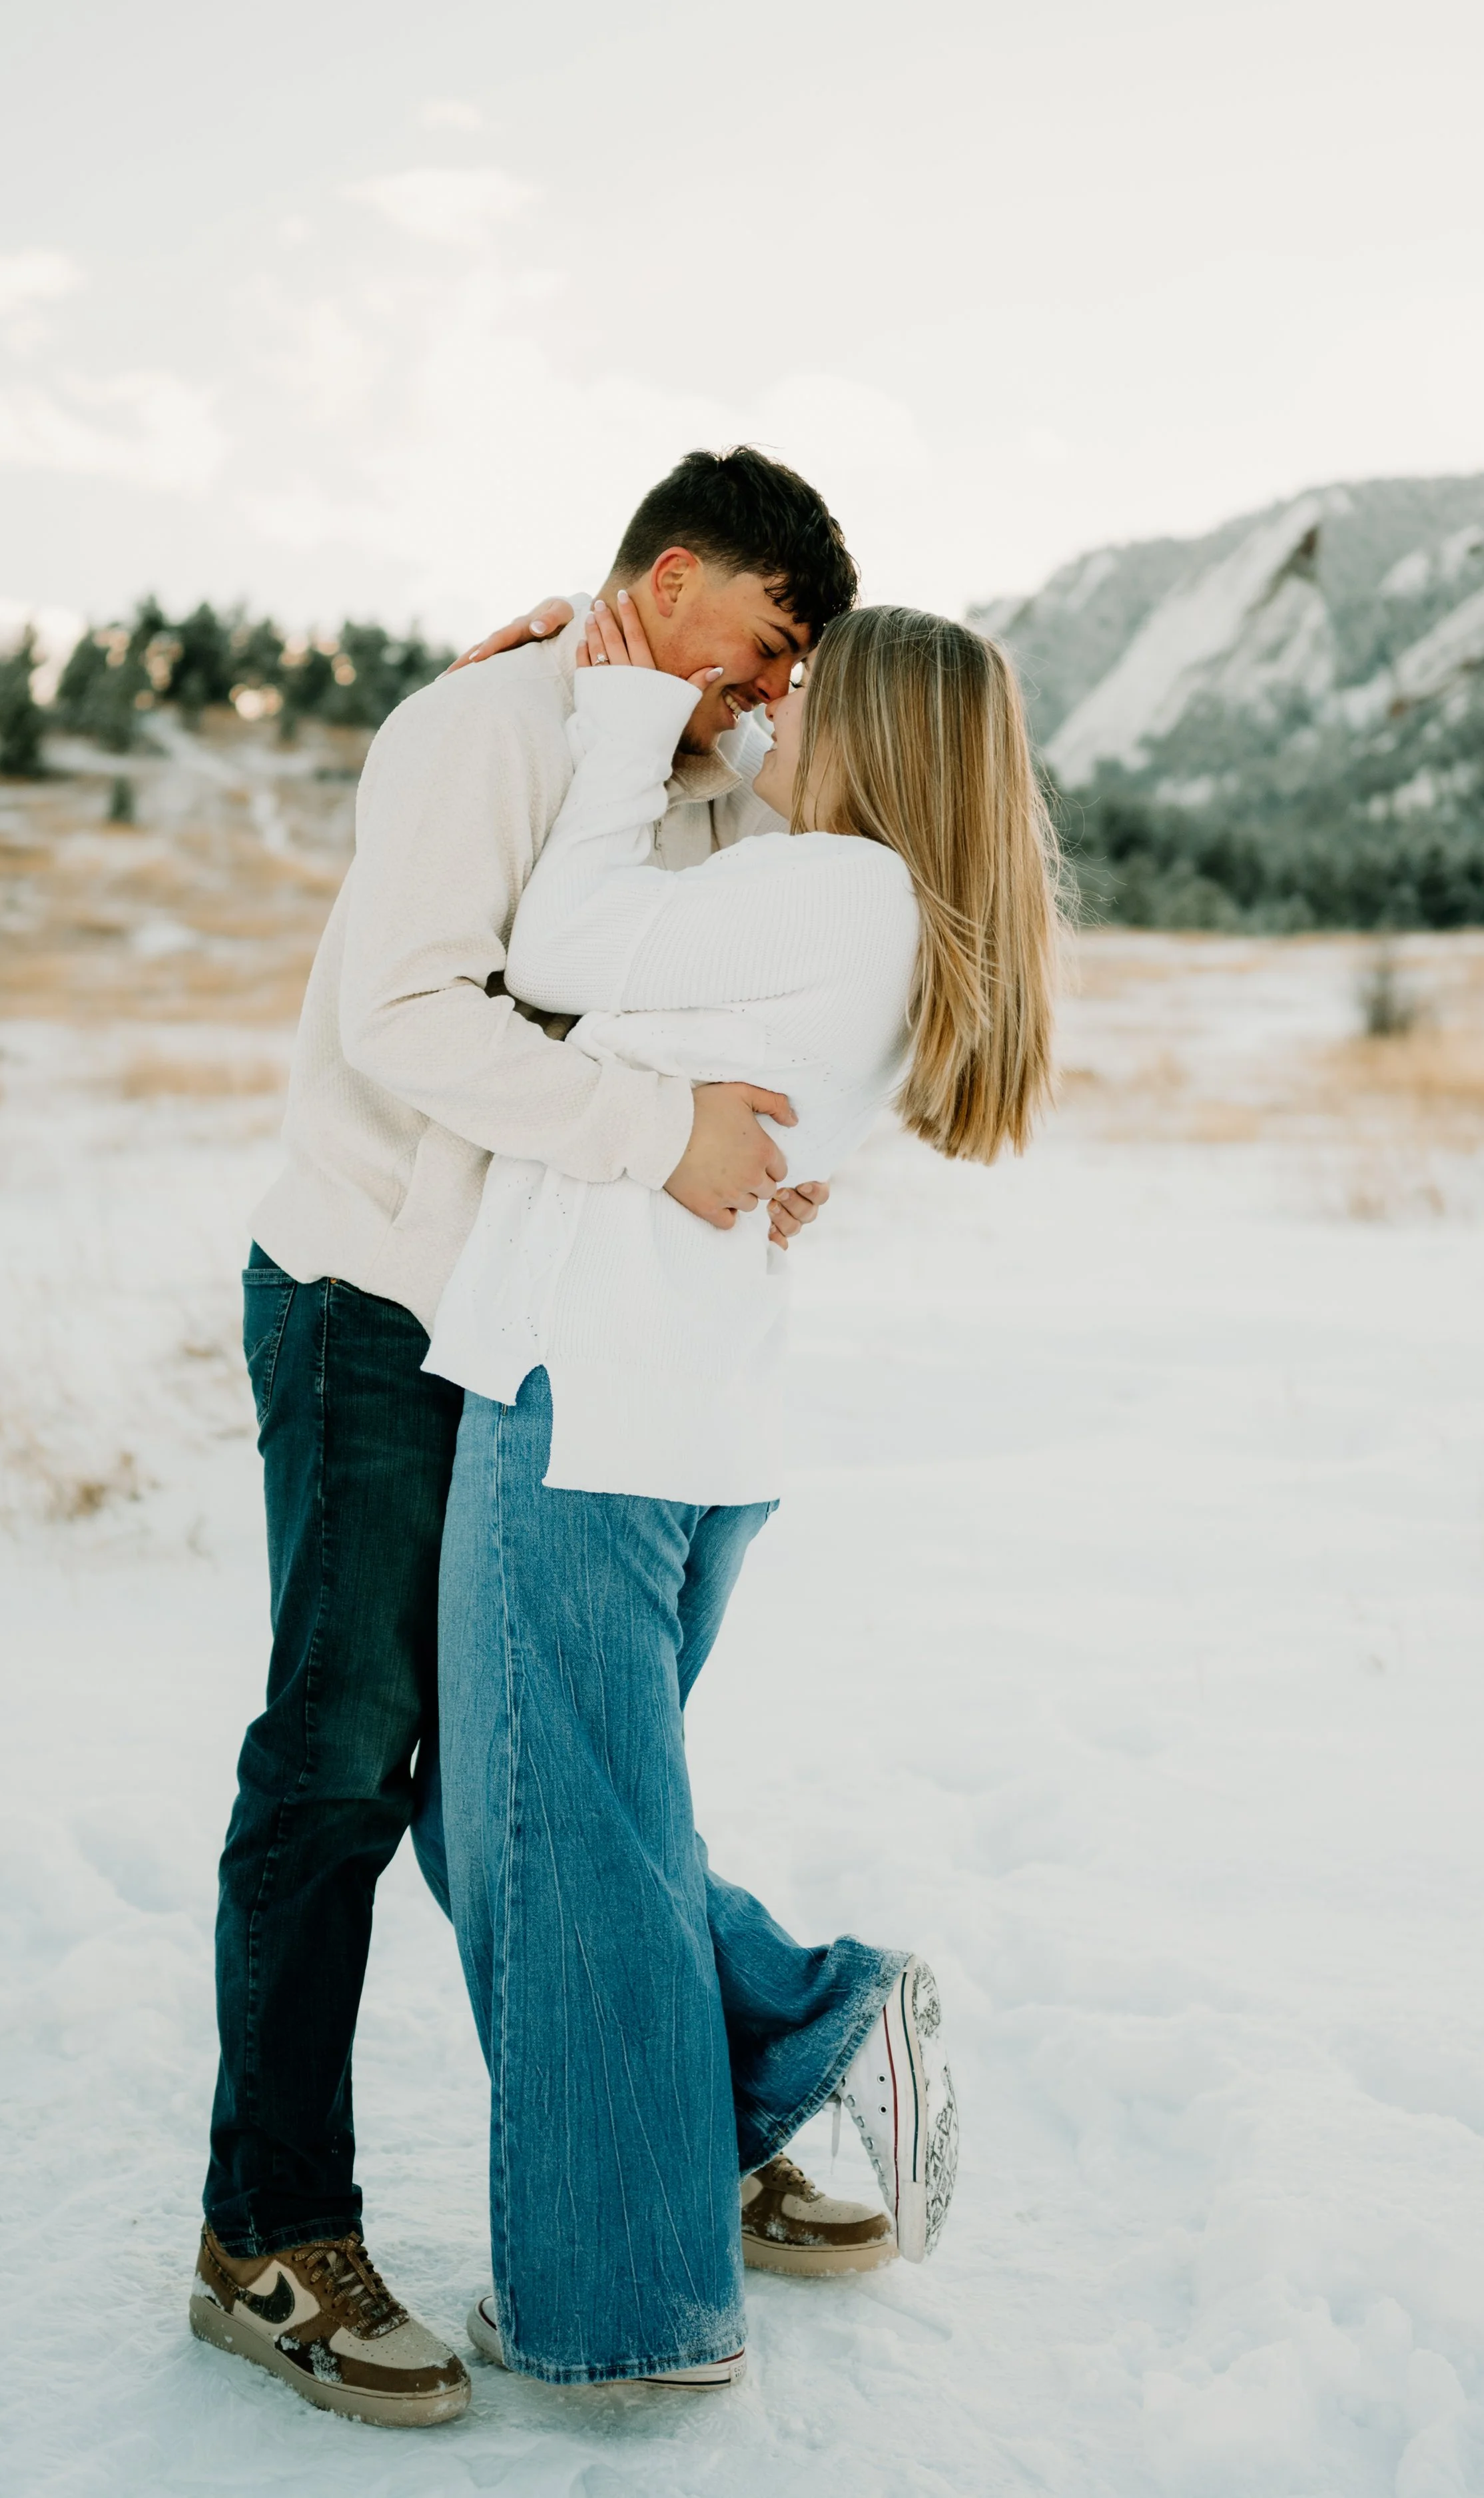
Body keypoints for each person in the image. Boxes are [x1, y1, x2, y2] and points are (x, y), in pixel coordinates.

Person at [190, 450, 885, 2431]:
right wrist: (657, 1140)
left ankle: (683, 2120)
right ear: (668, 584)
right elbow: (409, 1014)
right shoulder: (480, 731)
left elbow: (685, 1022)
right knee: (343, 1762)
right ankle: (268, 2230)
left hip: (534, 1339)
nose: (773, 698)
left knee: (544, 1769)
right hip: (368, 1307)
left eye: (795, 673)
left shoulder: (683, 788)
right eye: (763, 649)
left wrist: (755, 1151)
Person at [422, 588, 1062, 2389]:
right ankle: (782, 2037)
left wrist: (623, 716)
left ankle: (630, 2299)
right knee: (519, 1820)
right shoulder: (880, 917)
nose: (773, 716)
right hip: (677, 1422)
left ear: (873, 736)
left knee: (558, 1847)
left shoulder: (838, 889)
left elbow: (555, 939)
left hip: (591, 1408)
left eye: (806, 697)